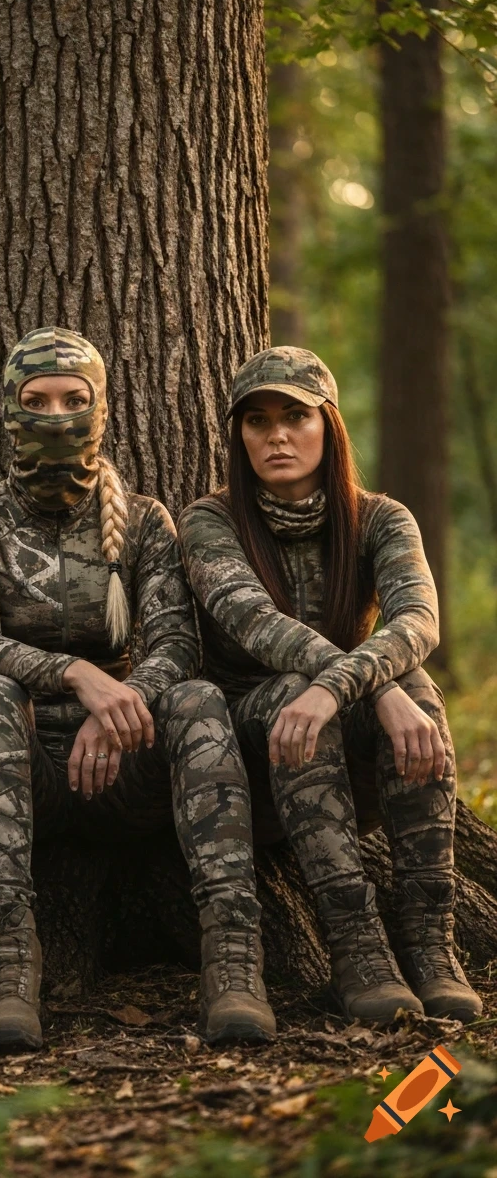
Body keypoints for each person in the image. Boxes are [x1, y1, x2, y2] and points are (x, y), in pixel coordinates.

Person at [0, 327, 277, 1054]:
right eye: (36, 400)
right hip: (19, 767)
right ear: (6, 410)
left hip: (125, 761)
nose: (55, 416)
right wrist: (78, 676)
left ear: (101, 410)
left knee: (200, 701)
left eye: (73, 399)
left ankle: (235, 958)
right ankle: (8, 966)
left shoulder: (148, 520)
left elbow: (178, 646)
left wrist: (120, 708)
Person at [178, 346, 481, 1025]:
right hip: (250, 747)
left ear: (329, 426)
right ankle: (359, 952)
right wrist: (368, 685)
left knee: (421, 695)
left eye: (295, 416)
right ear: (239, 436)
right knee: (298, 691)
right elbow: (255, 624)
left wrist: (354, 688)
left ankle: (432, 945)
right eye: (257, 421)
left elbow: (418, 620)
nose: (277, 435)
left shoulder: (380, 518)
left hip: (347, 740)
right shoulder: (210, 521)